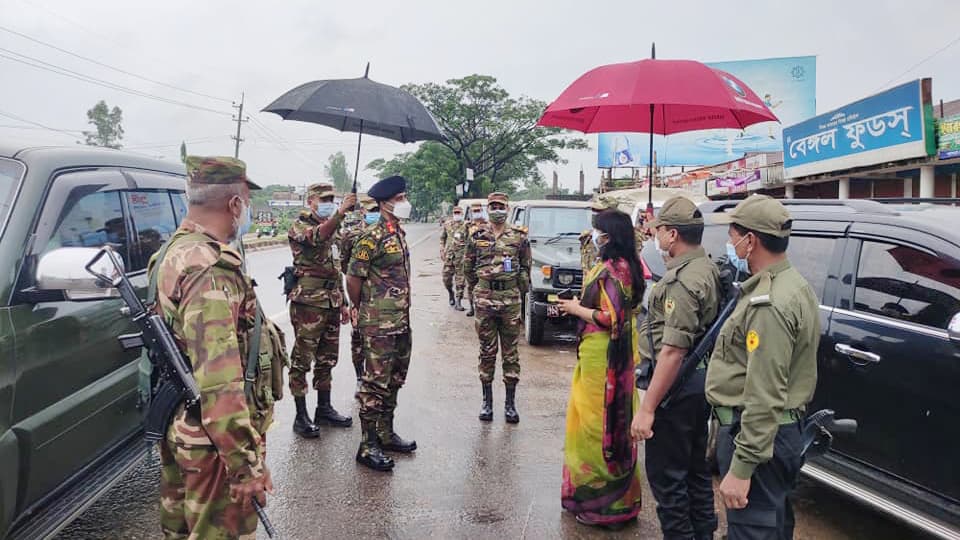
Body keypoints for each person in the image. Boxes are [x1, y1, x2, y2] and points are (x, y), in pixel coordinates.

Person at [151, 155, 281, 538]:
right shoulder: (208, 269)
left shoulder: (174, 251)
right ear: (235, 204)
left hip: (188, 424)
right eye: (247, 202)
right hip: (214, 442)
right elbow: (220, 379)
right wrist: (245, 466)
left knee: (182, 528)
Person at [707, 194, 819, 540]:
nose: (730, 243)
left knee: (753, 530)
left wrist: (742, 467)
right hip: (776, 437)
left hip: (757, 439)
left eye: (733, 234)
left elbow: (764, 393)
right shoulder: (793, 285)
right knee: (773, 526)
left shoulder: (769, 304)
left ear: (750, 240)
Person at [630, 196, 720, 540]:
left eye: (659, 232)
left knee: (669, 481)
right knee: (695, 473)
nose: (657, 238)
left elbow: (672, 352)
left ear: (672, 234)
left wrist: (648, 409)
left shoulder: (682, 280)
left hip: (675, 389)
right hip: (696, 386)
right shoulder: (705, 267)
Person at [556, 209, 645, 530]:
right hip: (603, 355)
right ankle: (590, 497)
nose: (593, 236)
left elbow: (612, 319)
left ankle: (607, 506)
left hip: (606, 360)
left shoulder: (615, 270)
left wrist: (576, 308)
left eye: (597, 231)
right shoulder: (626, 266)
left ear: (608, 236)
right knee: (599, 420)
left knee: (598, 426)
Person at [346, 175, 417, 472]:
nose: (405, 203)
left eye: (404, 197)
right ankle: (368, 445)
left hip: (400, 321)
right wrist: (361, 308)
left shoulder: (397, 233)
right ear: (386, 203)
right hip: (378, 324)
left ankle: (386, 434)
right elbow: (353, 278)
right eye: (400, 198)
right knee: (374, 384)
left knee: (395, 379)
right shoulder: (371, 237)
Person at [287, 183, 357, 438]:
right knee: (302, 360)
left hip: (331, 300)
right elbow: (316, 237)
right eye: (324, 199)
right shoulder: (300, 225)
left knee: (327, 359)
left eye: (332, 198)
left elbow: (337, 269)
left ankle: (323, 408)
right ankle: (300, 415)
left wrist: (345, 303)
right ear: (311, 201)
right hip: (308, 302)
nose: (329, 202)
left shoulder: (335, 228)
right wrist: (339, 214)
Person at [462, 192, 531, 423]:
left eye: (500, 205)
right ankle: (487, 402)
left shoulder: (519, 237)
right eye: (493, 205)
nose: (496, 209)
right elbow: (468, 268)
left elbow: (525, 269)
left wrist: (516, 290)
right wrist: (478, 290)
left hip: (510, 300)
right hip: (484, 300)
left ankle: (510, 404)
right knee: (487, 351)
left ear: (508, 208)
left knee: (510, 353)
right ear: (487, 208)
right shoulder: (477, 235)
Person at [340, 195, 380, 387]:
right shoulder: (351, 235)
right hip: (361, 292)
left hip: (382, 296)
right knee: (358, 336)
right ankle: (359, 375)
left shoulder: (389, 233)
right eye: (371, 211)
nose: (375, 214)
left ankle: (378, 376)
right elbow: (344, 266)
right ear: (363, 211)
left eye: (377, 210)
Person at [579, 196, 619, 272]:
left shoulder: (624, 237)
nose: (595, 215)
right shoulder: (586, 237)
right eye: (594, 211)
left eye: (600, 211)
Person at [441, 206, 467, 309]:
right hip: (449, 256)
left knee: (460, 280)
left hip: (461, 257)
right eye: (455, 213)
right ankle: (450, 292)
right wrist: (442, 248)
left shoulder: (466, 226)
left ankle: (458, 301)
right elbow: (443, 238)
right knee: (446, 278)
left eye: (459, 213)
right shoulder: (447, 224)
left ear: (462, 213)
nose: (457, 215)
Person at [463, 202, 487, 317]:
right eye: (474, 211)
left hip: (483, 260)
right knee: (471, 285)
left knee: (483, 286)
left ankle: (481, 308)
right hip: (470, 259)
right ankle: (472, 307)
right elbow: (462, 241)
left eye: (478, 210)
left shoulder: (487, 225)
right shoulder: (467, 226)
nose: (476, 213)